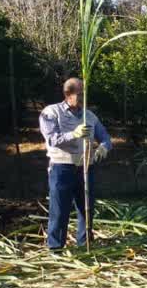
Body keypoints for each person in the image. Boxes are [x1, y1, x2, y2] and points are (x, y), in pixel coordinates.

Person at [39, 77, 112, 250]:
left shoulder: (90, 116)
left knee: (86, 209)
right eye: (79, 95)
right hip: (61, 167)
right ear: (68, 94)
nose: (82, 99)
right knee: (60, 211)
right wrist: (74, 134)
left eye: (84, 95)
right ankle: (55, 248)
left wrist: (103, 147)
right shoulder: (51, 112)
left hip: (86, 167)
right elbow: (51, 139)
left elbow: (105, 137)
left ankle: (84, 244)